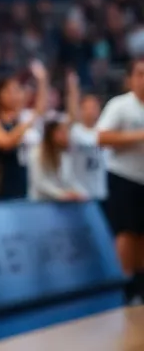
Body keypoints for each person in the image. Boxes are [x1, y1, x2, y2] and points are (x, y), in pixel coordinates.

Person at [95, 59, 144, 303]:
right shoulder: (120, 105)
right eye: (140, 74)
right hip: (124, 177)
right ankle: (124, 288)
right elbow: (101, 138)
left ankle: (139, 287)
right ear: (130, 79)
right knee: (126, 234)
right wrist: (138, 136)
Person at [0, 63, 47, 202]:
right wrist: (28, 121)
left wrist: (42, 80)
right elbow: (6, 143)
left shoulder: (18, 119)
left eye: (17, 90)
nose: (16, 95)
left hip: (22, 187)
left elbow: (40, 109)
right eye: (10, 91)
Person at [64, 71, 107, 205]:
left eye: (94, 107)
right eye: (86, 107)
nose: (90, 111)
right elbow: (72, 117)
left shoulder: (105, 131)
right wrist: (73, 89)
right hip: (79, 193)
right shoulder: (75, 131)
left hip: (100, 192)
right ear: (80, 110)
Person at [30, 119, 85, 201]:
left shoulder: (64, 154)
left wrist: (81, 193)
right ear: (52, 134)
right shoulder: (37, 153)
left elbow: (69, 180)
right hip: (41, 203)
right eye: (62, 132)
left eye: (67, 132)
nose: (67, 136)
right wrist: (61, 194)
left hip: (60, 203)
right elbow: (40, 183)